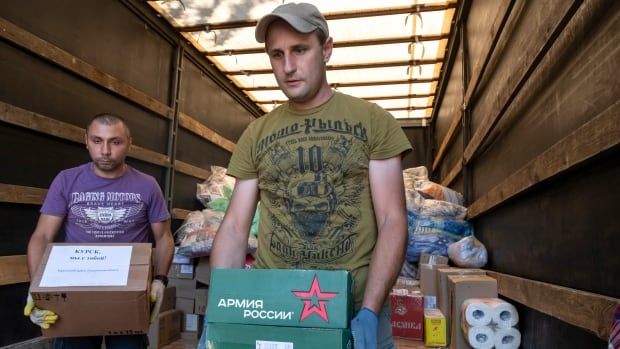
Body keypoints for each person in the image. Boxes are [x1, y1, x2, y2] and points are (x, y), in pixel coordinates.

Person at [210, 3, 412, 349]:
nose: (287, 67)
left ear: (327, 50)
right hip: (274, 308)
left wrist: (370, 309)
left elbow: (393, 219)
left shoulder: (372, 121)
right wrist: (218, 312)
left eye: (299, 50)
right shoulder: (257, 133)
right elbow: (233, 229)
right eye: (277, 54)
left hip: (356, 308)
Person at [24, 113, 174, 349]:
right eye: (97, 141)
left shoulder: (147, 185)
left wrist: (160, 280)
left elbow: (164, 237)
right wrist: (37, 290)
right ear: (86, 140)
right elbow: (41, 236)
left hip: (128, 292)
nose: (105, 150)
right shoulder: (66, 180)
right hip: (74, 289)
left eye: (115, 142)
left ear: (129, 143)